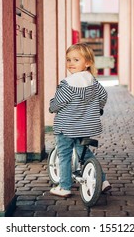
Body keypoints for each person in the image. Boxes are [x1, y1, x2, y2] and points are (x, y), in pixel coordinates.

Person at [49, 43, 111, 197]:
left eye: (76, 60)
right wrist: (98, 108)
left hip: (67, 128)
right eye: (68, 59)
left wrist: (51, 107)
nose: (71, 63)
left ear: (87, 63)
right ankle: (102, 181)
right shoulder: (93, 82)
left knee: (64, 155)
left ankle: (64, 186)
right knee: (84, 153)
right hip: (86, 128)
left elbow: (57, 103)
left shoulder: (67, 84)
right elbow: (103, 96)